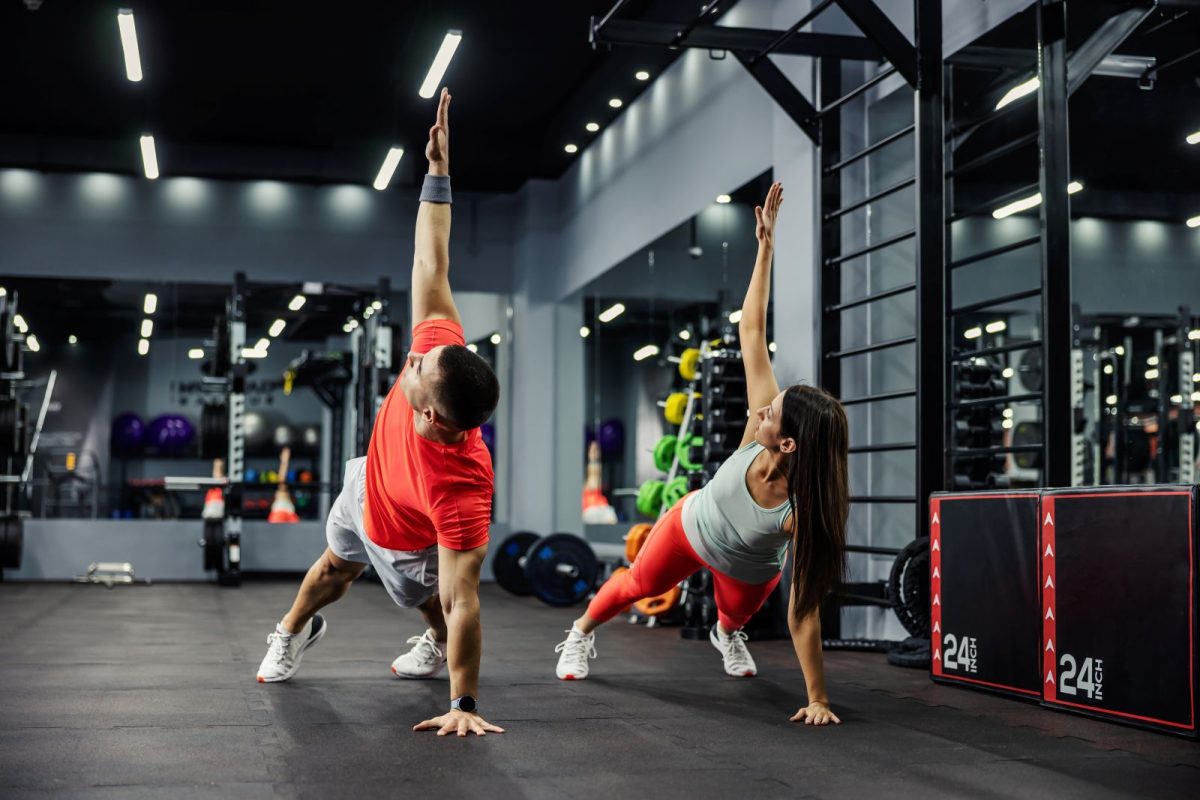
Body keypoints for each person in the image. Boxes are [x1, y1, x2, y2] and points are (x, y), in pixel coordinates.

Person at [256, 88, 505, 738]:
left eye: (417, 372)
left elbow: (466, 599)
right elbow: (430, 259)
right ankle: (294, 629)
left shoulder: (463, 490)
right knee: (330, 570)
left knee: (433, 603)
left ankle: (436, 650)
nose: (412, 359)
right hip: (369, 483)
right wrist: (438, 172)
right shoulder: (440, 350)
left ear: (436, 418)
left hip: (411, 537)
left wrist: (464, 704)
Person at [553, 182, 849, 726]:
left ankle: (727, 634)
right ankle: (579, 633)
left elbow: (803, 610)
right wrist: (765, 250)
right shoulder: (760, 428)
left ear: (788, 443)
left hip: (748, 567)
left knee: (734, 616)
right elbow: (751, 329)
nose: (761, 410)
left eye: (772, 413)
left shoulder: (801, 512)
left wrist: (818, 699)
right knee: (636, 584)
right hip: (691, 525)